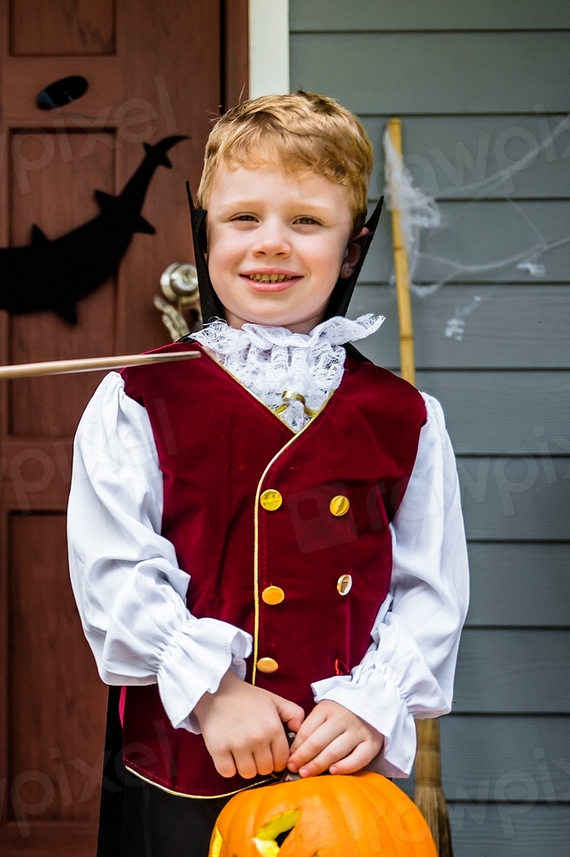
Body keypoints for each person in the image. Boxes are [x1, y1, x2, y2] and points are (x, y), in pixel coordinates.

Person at [67, 91, 469, 857]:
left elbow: (431, 593)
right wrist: (211, 690)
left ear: (352, 248)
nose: (271, 244)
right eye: (243, 218)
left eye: (307, 222)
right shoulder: (135, 398)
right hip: (182, 772)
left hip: (345, 785)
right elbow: (113, 574)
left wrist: (373, 705)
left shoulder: (408, 417)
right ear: (204, 233)